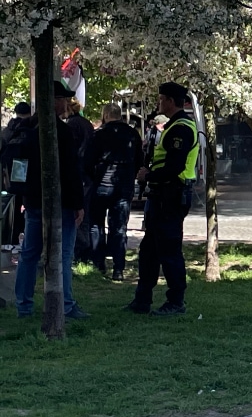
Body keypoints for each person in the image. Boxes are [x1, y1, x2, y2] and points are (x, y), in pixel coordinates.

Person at [14, 81, 89, 319]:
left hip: (34, 201)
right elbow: (71, 171)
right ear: (53, 100)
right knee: (63, 253)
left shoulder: (25, 127)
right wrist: (78, 204)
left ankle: (23, 305)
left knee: (29, 253)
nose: (66, 103)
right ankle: (65, 304)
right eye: (62, 99)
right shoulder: (61, 131)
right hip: (61, 203)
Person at [126, 82, 199, 317]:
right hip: (161, 196)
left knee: (169, 250)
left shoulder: (181, 128)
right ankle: (142, 299)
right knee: (149, 250)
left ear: (169, 101)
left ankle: (176, 300)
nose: (158, 104)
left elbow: (175, 166)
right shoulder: (171, 127)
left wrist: (149, 174)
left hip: (171, 194)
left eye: (160, 99)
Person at [87, 103, 143, 281]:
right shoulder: (133, 134)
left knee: (96, 225)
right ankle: (118, 268)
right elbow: (140, 160)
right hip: (123, 187)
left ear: (105, 115)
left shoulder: (99, 134)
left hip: (101, 185)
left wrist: (93, 178)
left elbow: (87, 161)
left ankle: (98, 263)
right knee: (119, 227)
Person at [65, 97, 95, 265]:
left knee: (76, 214)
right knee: (86, 213)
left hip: (78, 173)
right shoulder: (87, 124)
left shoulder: (71, 126)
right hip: (88, 174)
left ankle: (78, 250)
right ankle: (86, 251)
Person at [1, 101, 31, 249]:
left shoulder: (7, 131)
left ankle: (9, 239)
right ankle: (20, 237)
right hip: (26, 176)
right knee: (27, 208)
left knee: (9, 207)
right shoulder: (30, 129)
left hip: (7, 177)